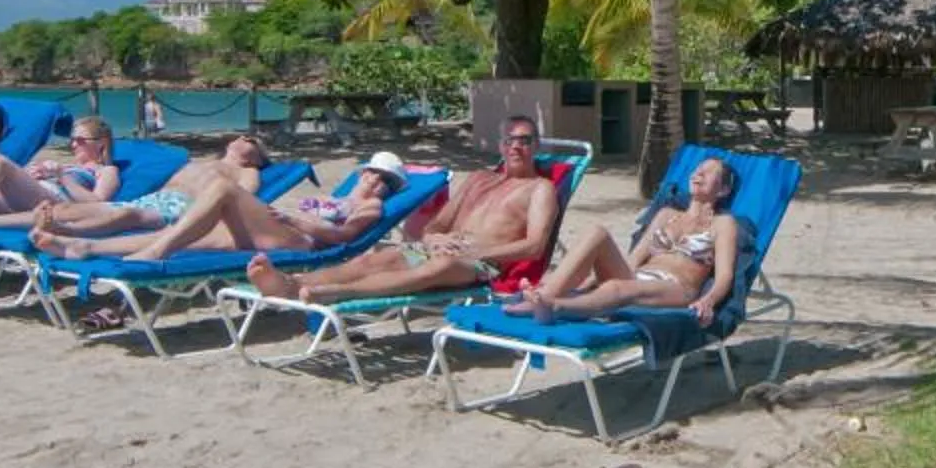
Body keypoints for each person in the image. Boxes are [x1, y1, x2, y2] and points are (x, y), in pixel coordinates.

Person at [249, 116, 557, 302]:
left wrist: (476, 252)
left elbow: (535, 246)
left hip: (480, 264)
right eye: (509, 140)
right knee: (380, 259)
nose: (516, 146)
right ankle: (292, 283)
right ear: (501, 145)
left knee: (438, 268)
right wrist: (434, 239)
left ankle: (338, 293)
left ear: (536, 145)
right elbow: (434, 226)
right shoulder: (479, 179)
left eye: (524, 140)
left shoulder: (540, 189)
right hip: (438, 250)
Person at [33, 151, 406, 261]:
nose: (375, 182)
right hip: (278, 229)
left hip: (299, 241)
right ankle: (83, 244)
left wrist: (298, 220)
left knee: (224, 188)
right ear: (362, 172)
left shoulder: (371, 208)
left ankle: (157, 252)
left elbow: (343, 236)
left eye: (384, 181)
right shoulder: (336, 196)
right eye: (372, 174)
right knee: (184, 233)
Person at [502, 156, 743, 326]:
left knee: (619, 288)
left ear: (723, 190)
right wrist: (588, 281)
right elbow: (634, 260)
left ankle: (554, 307)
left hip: (678, 288)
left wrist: (708, 301)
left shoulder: (724, 224)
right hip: (638, 277)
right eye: (697, 169)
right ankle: (545, 295)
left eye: (708, 172)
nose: (698, 173)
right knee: (597, 232)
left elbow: (724, 276)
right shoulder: (666, 214)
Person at [23, 133, 271, 241]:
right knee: (68, 209)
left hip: (182, 208)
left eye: (250, 140)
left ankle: (68, 232)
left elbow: (243, 197)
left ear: (257, 158)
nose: (242, 137)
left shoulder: (248, 171)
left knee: (127, 215)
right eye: (242, 135)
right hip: (156, 199)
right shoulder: (204, 161)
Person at [0, 117, 125, 229]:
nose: (73, 145)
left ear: (101, 143)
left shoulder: (107, 170)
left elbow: (97, 202)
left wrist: (61, 177)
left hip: (56, 204)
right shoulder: (70, 165)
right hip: (30, 198)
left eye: (80, 140)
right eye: (71, 140)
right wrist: (30, 174)